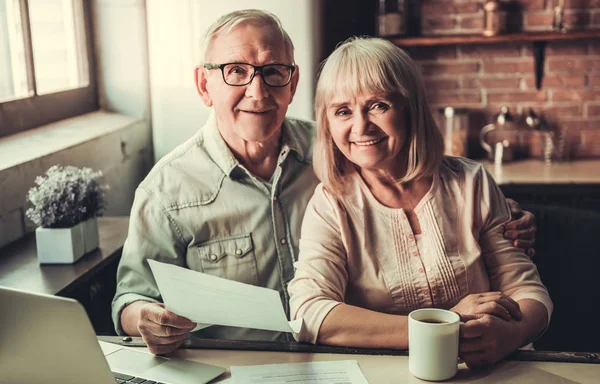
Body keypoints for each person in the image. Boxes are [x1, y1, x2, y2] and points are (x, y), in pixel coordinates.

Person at [111, 10, 537, 356]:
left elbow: (419, 182)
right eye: (236, 71)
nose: (258, 91)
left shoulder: (342, 146)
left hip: (338, 361)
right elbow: (130, 299)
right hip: (233, 363)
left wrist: (500, 215)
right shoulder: (165, 190)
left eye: (273, 71)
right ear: (205, 85)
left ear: (292, 82)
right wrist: (144, 316)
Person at [288, 37, 552, 367]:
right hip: (389, 379)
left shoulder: (471, 182)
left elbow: (530, 293)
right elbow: (308, 313)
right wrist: (441, 326)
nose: (361, 126)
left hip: (491, 370)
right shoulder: (330, 205)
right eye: (343, 111)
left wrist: (510, 335)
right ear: (327, 123)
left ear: (410, 108)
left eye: (378, 105)